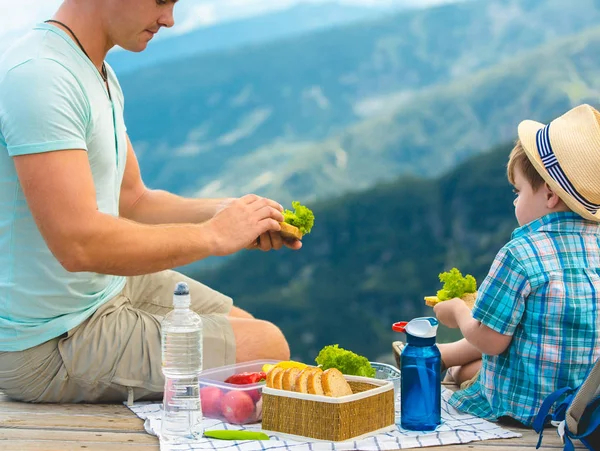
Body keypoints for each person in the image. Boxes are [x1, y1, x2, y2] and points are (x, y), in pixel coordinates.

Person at [0, 0, 298, 404]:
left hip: (104, 290)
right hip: (49, 340)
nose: (169, 19)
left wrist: (233, 215)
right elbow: (78, 243)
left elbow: (134, 199)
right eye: (160, 0)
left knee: (243, 326)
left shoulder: (95, 70)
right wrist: (212, 236)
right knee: (267, 348)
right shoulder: (40, 77)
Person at [433, 104, 600, 427]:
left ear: (549, 195)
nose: (514, 201)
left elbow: (490, 341)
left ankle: (445, 360)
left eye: (519, 190)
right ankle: (448, 358)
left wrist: (456, 311)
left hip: (529, 408)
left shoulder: (520, 253)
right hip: (584, 404)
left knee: (469, 371)